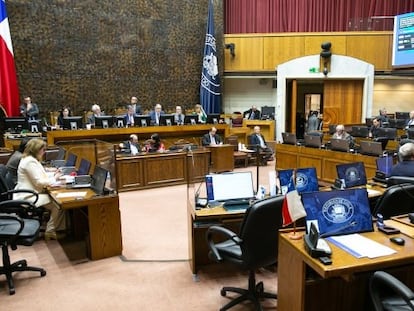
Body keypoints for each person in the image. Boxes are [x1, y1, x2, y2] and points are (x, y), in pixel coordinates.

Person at [13, 138, 65, 240]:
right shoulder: (29, 162)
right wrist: (55, 178)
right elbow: (39, 182)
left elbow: (41, 176)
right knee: (59, 204)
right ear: (36, 149)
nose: (44, 152)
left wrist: (53, 176)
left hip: (33, 192)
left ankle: (56, 229)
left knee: (58, 201)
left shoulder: (30, 159)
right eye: (43, 150)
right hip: (28, 196)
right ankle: (50, 231)